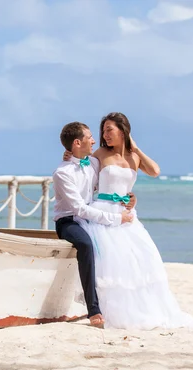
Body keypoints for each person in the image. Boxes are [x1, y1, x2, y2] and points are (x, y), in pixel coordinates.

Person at [67, 112, 193, 329]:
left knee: (141, 260)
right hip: (105, 212)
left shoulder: (134, 158)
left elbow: (155, 171)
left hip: (128, 216)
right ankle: (105, 311)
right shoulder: (101, 153)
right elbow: (83, 167)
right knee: (113, 265)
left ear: (123, 131)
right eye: (103, 130)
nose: (105, 134)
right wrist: (70, 157)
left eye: (109, 129)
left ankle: (139, 310)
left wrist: (135, 148)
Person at [52, 122, 135, 328]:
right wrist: (116, 218)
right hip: (69, 221)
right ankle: (93, 309)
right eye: (90, 137)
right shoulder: (62, 173)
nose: (94, 140)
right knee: (87, 245)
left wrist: (129, 198)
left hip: (90, 219)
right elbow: (79, 209)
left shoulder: (93, 164)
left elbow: (112, 182)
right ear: (77, 142)